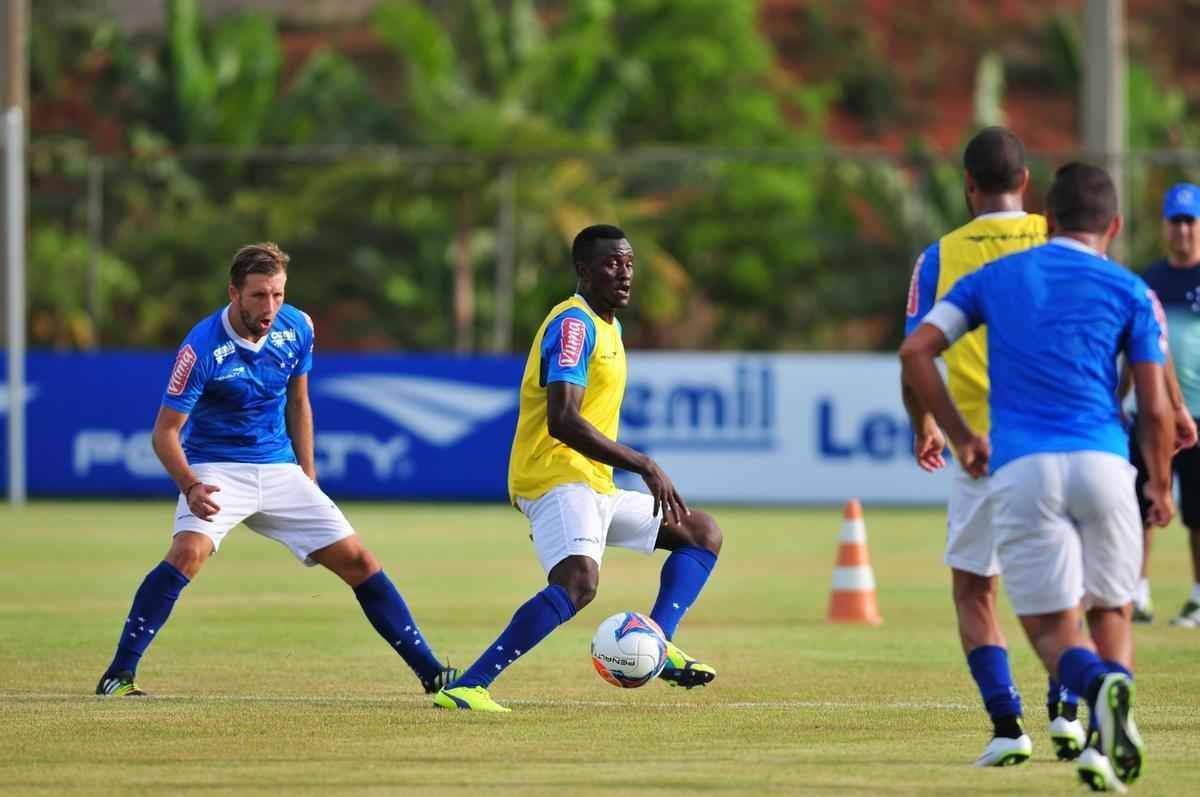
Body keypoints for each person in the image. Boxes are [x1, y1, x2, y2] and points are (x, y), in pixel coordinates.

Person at [900, 162, 1174, 791]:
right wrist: (1158, 482)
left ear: (1047, 220)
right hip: (1106, 464)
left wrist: (963, 435)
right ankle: (1103, 740)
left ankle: (1094, 689)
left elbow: (916, 351)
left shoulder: (995, 277)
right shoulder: (1131, 288)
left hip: (1020, 467)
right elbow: (1155, 407)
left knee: (1047, 626)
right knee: (1112, 608)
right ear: (1115, 225)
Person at [94, 243, 457, 697]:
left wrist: (307, 473)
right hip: (217, 468)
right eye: (259, 296)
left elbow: (300, 401)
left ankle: (433, 674)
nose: (270, 307)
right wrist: (190, 485)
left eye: (278, 295)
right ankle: (119, 675)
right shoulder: (201, 347)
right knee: (188, 553)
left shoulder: (298, 326)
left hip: (280, 467)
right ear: (234, 293)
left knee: (360, 562)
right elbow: (165, 433)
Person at [433, 224, 723, 712]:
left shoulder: (610, 324)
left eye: (630, 264)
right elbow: (564, 420)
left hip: (592, 482)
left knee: (700, 533)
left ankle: (656, 640)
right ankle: (469, 685)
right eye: (612, 264)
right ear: (584, 271)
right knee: (578, 583)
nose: (625, 274)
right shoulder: (573, 325)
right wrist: (643, 463)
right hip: (554, 475)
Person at [902, 126, 1085, 765]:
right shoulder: (1059, 238)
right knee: (1065, 588)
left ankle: (1008, 725)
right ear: (1026, 182)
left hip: (978, 443)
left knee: (975, 589)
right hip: (1062, 434)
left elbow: (915, 354)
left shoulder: (939, 256)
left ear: (967, 186)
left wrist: (924, 424)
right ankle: (1067, 711)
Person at [1127, 182, 1200, 626]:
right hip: (1152, 412)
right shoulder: (1147, 281)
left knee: (1199, 513)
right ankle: (1137, 592)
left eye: (1190, 222)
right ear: (1164, 228)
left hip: (1199, 413)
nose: (1183, 231)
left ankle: (1197, 595)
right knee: (1140, 505)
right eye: (1175, 222)